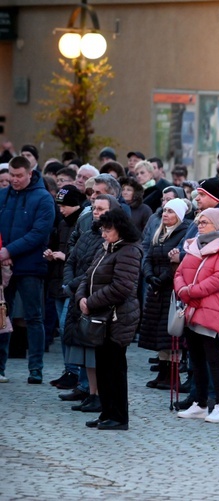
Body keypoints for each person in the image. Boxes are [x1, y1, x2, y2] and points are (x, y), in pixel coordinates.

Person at [77, 209, 142, 431]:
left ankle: (119, 416)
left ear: (120, 229)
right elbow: (88, 276)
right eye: (102, 230)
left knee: (115, 369)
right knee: (103, 367)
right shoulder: (107, 248)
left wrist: (90, 302)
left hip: (117, 318)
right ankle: (106, 412)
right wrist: (81, 298)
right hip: (100, 317)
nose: (104, 234)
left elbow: (122, 287)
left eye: (108, 230)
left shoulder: (130, 251)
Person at [175, 208, 219, 424]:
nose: (200, 225)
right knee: (196, 359)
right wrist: (183, 290)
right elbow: (179, 273)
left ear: (217, 224)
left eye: (205, 222)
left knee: (214, 359)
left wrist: (191, 292)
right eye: (199, 221)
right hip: (192, 308)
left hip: (212, 309)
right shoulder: (194, 245)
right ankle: (200, 404)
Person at [60, 195, 122, 410]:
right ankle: (90, 392)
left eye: (101, 208)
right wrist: (69, 284)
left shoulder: (112, 240)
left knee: (96, 352)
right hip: (79, 295)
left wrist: (76, 287)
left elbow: (92, 271)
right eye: (94, 208)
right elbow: (72, 260)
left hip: (93, 297)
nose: (96, 212)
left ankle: (98, 395)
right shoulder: (87, 234)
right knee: (84, 349)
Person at [0, 155, 56, 384]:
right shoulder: (3, 196)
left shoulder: (43, 198)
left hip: (30, 267)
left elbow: (39, 233)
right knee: (2, 318)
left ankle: (35, 368)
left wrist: (9, 251)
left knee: (34, 318)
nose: (14, 180)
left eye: (19, 176)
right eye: (11, 176)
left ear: (29, 174)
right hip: (4, 266)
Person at [138, 199, 190, 389]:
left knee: (171, 333)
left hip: (171, 287)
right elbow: (148, 256)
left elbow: (178, 262)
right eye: (165, 210)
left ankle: (172, 374)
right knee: (158, 332)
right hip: (156, 288)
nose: (165, 214)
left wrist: (164, 278)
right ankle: (162, 371)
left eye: (170, 211)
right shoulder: (159, 232)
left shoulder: (184, 232)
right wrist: (150, 275)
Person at [45, 185, 86, 390]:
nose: (61, 210)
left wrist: (65, 257)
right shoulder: (62, 223)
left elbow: (84, 256)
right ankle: (70, 370)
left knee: (66, 326)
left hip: (74, 282)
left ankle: (76, 371)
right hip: (57, 279)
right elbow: (54, 243)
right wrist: (50, 252)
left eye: (65, 206)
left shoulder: (83, 222)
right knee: (64, 330)